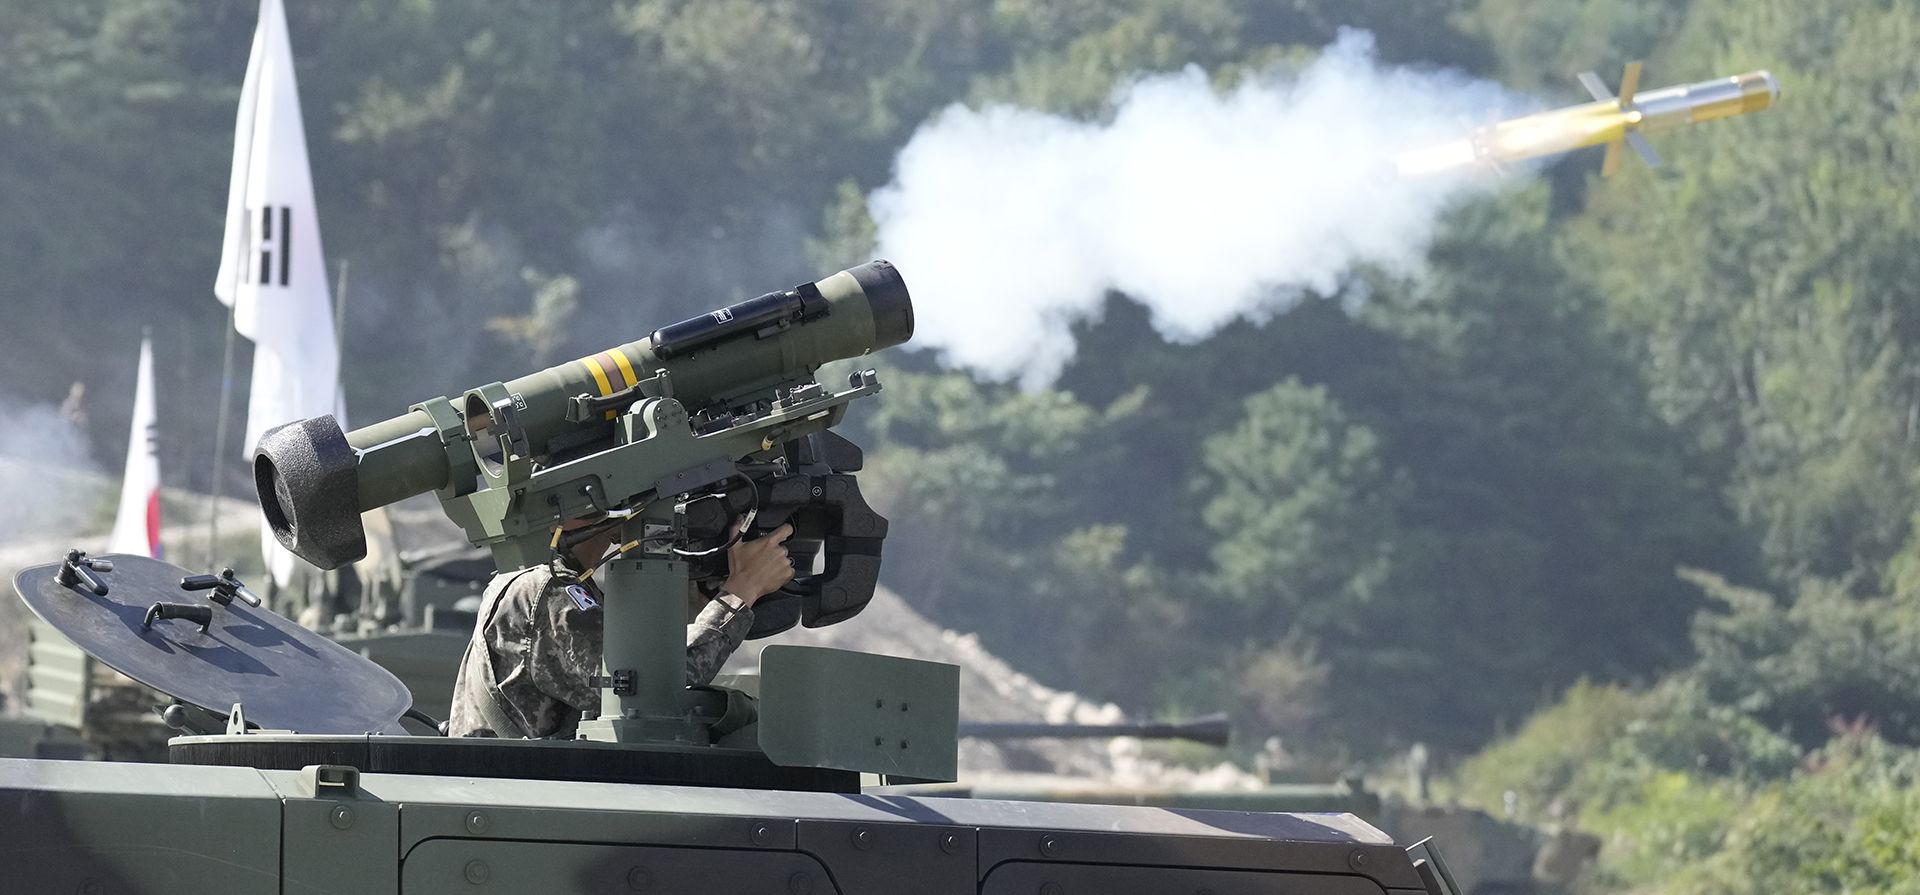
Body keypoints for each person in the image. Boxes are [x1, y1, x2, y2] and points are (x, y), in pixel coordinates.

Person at [447, 518, 796, 738]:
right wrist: (741, 591)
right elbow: (656, 691)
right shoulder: (550, 593)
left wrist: (700, 599)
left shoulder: (542, 580)